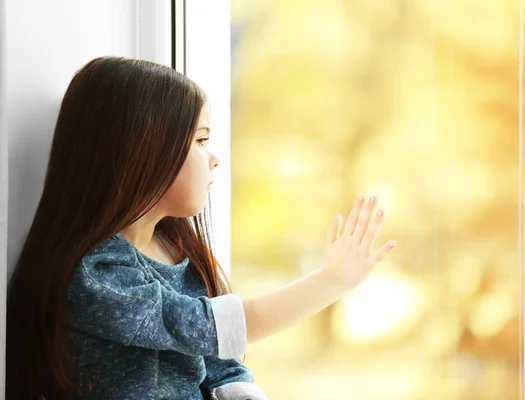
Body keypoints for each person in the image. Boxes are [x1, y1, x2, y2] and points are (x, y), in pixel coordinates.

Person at [5, 56, 396, 400]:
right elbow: (209, 330)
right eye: (201, 139)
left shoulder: (180, 252)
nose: (215, 158)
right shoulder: (99, 275)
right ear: (141, 150)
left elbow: (221, 365)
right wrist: (331, 281)